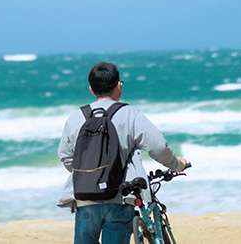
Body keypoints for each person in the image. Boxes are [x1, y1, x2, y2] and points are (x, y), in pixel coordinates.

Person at [57, 62, 187, 244]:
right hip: (119, 196)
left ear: (91, 89)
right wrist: (177, 164)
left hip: (85, 197)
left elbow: (65, 156)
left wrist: (91, 173)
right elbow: (158, 147)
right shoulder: (129, 114)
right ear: (118, 85)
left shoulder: (75, 118)